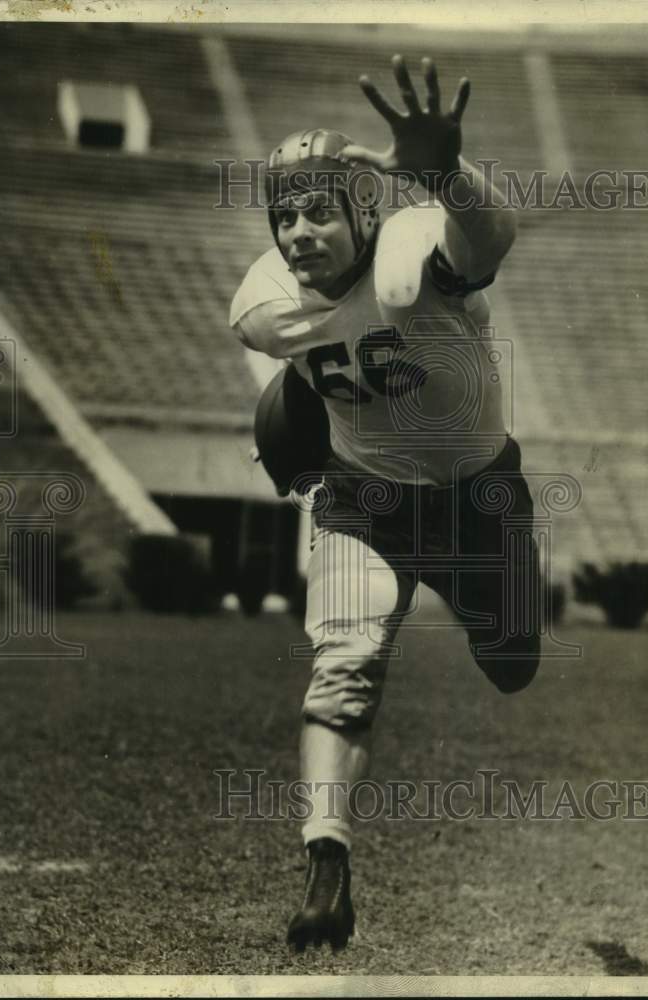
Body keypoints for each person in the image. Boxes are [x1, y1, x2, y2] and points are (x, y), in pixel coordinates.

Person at [229, 54, 541, 953]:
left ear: (365, 210)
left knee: (514, 662)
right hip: (364, 502)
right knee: (344, 661)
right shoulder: (266, 308)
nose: (295, 232)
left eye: (317, 209)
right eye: (282, 215)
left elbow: (489, 236)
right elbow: (307, 363)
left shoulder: (415, 258)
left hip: (478, 498)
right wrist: (297, 421)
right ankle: (326, 867)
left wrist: (444, 172)